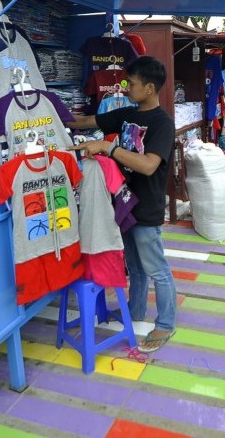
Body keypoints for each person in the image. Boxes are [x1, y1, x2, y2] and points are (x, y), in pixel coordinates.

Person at [67, 56, 177, 353]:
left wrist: (108, 147)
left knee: (156, 268)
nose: (126, 87)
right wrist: (52, 116)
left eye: (133, 83)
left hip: (147, 207)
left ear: (151, 88)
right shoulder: (128, 114)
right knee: (135, 267)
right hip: (122, 204)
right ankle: (136, 310)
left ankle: (166, 323)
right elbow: (89, 121)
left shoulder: (163, 124)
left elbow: (148, 165)